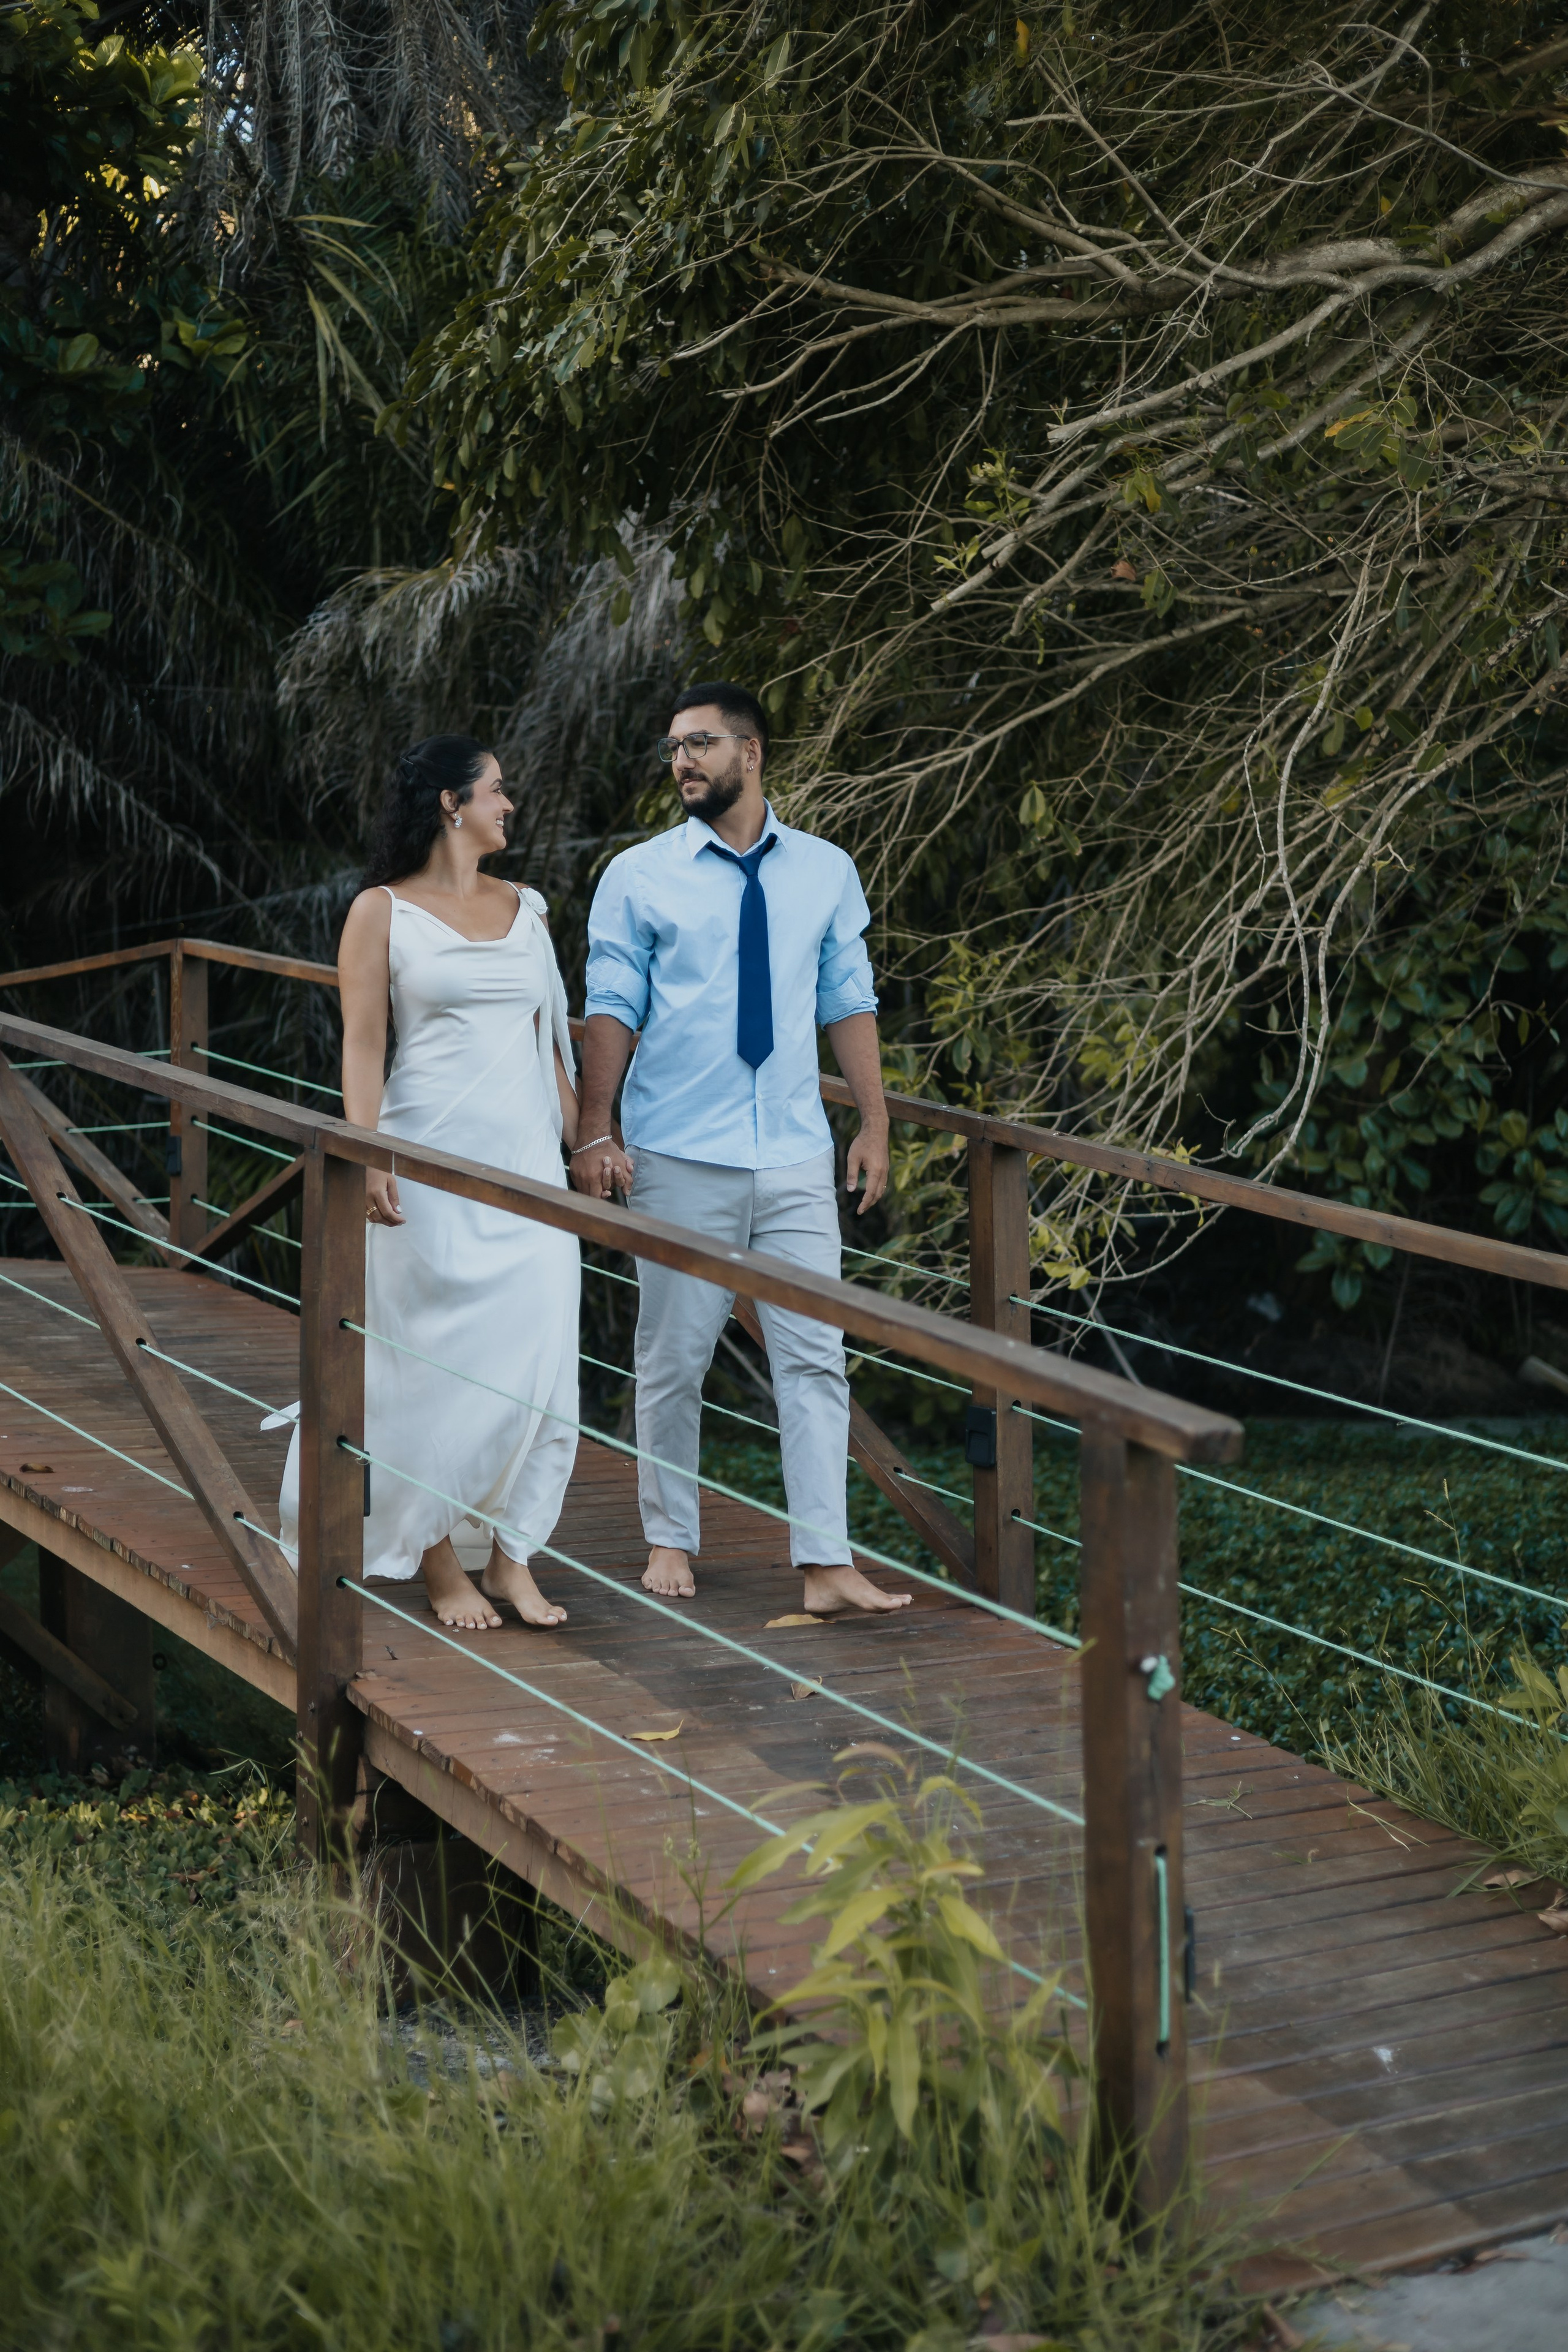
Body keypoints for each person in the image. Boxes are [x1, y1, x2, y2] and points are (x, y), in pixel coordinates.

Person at [573, 681, 910, 1616]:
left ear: (752, 754)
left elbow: (848, 997)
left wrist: (874, 1122)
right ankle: (670, 1538)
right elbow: (612, 1006)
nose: (681, 760)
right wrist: (596, 1129)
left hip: (797, 1153)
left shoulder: (825, 870)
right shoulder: (639, 875)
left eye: (702, 743)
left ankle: (825, 1562)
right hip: (680, 1153)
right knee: (675, 1354)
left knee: (813, 1355)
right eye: (674, 746)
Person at [276, 736, 580, 1630]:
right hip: (428, 1159)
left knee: (543, 1358)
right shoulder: (381, 912)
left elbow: (551, 1042)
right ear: (453, 804)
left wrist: (589, 1141)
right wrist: (367, 1154)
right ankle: (440, 1558)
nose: (510, 804)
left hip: (527, 1169)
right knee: (426, 1366)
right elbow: (364, 1045)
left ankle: (513, 1556)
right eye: (498, 790)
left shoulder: (530, 909)